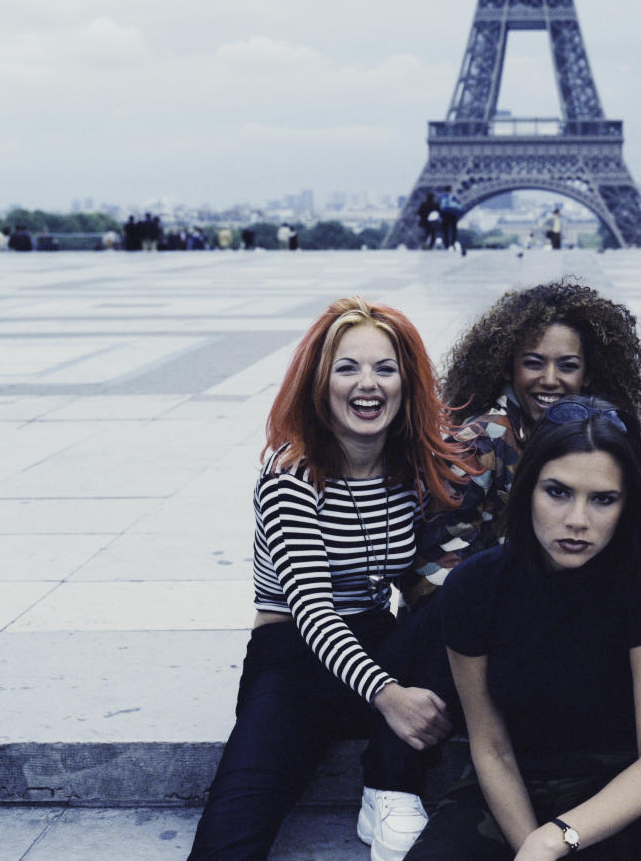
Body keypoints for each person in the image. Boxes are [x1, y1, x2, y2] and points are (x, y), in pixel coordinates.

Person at [187, 297, 474, 861]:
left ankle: (386, 787)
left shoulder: (410, 469)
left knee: (471, 586)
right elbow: (313, 613)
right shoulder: (292, 475)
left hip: (375, 638)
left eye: (384, 368)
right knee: (229, 839)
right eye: (348, 367)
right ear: (320, 382)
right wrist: (391, 696)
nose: (367, 384)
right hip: (294, 657)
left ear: (406, 383)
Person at [405, 395, 641, 860]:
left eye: (603, 499)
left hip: (622, 793)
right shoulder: (474, 588)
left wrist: (555, 837)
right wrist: (533, 845)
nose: (577, 521)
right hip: (508, 795)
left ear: (626, 505)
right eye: (558, 492)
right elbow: (491, 749)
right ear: (528, 487)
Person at [411, 279, 641, 599]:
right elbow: (431, 579)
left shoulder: (601, 435)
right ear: (508, 369)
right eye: (533, 363)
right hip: (475, 628)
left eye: (567, 366)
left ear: (588, 374)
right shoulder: (477, 445)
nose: (550, 380)